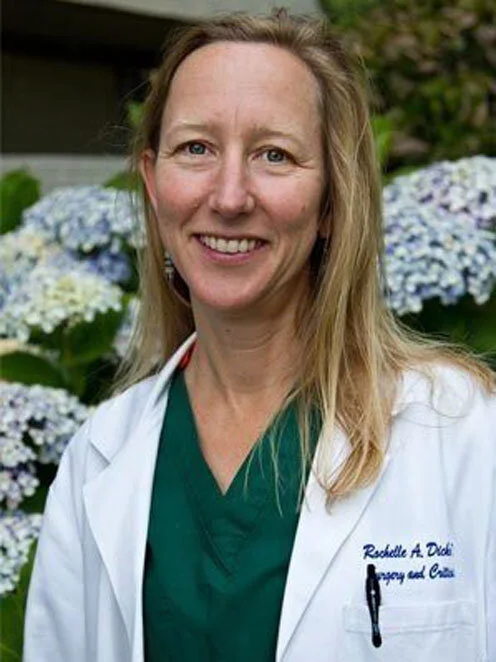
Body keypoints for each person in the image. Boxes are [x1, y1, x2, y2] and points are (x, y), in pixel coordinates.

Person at [23, 11, 495, 662]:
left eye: (274, 154)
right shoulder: (98, 458)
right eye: (197, 148)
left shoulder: (466, 434)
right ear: (153, 184)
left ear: (332, 200)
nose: (229, 196)